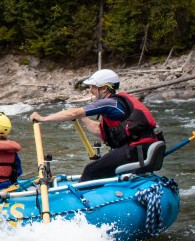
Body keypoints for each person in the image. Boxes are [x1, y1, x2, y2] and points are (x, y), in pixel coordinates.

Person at [29, 68, 164, 182]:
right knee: (99, 167)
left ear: (104, 89)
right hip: (142, 148)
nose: (90, 91)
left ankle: (83, 205)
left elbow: (73, 113)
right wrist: (82, 117)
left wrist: (43, 118)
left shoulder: (109, 103)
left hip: (136, 150)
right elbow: (100, 131)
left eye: (93, 87)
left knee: (90, 170)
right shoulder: (116, 105)